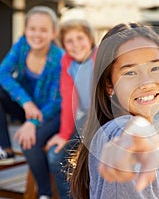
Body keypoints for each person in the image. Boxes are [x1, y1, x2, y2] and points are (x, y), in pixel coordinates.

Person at [69, 23, 159, 199]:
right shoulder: (113, 133)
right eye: (130, 73)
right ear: (109, 85)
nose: (147, 82)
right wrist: (140, 131)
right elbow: (129, 131)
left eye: (155, 68)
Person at [0, 6, 64, 199]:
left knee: (29, 141)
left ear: (53, 33)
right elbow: (3, 73)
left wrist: (32, 123)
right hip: (28, 106)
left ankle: (45, 194)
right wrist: (26, 103)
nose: (37, 34)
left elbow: (56, 101)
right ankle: (5, 149)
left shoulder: (59, 59)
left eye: (43, 30)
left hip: (51, 111)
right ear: (25, 30)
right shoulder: (22, 45)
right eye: (32, 29)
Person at [45, 19, 97, 198]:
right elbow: (68, 101)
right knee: (55, 156)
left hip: (105, 118)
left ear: (90, 39)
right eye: (69, 41)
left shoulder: (100, 57)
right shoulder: (67, 62)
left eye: (80, 38)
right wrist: (63, 135)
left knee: (93, 161)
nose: (75, 45)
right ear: (64, 45)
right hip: (83, 119)